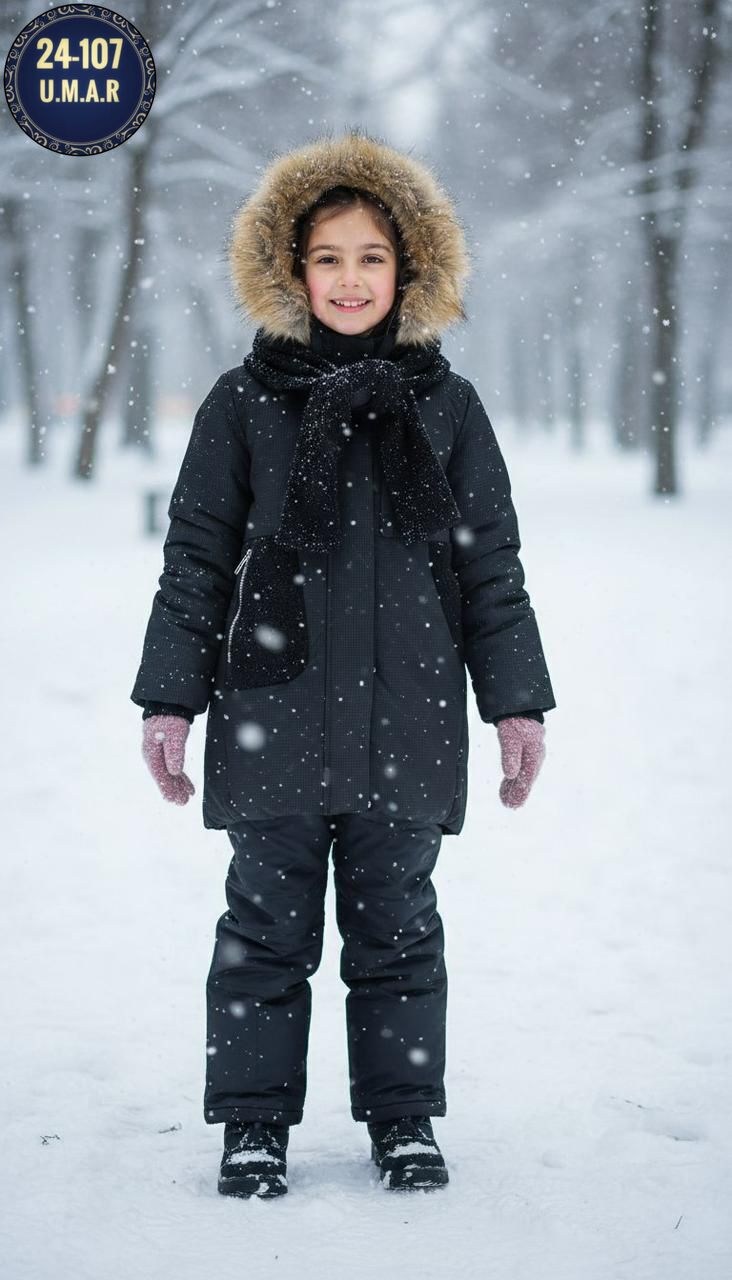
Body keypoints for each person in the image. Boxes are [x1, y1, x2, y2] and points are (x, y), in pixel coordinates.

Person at [130, 128, 557, 1198]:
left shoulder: (447, 410)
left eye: (372, 256)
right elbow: (197, 559)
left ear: (408, 268)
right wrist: (170, 698)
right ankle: (254, 1123)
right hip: (271, 711)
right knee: (264, 932)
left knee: (399, 929)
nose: (352, 278)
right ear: (291, 269)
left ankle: (404, 1117)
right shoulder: (242, 405)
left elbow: (490, 571)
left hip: (409, 718)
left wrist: (516, 704)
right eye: (329, 257)